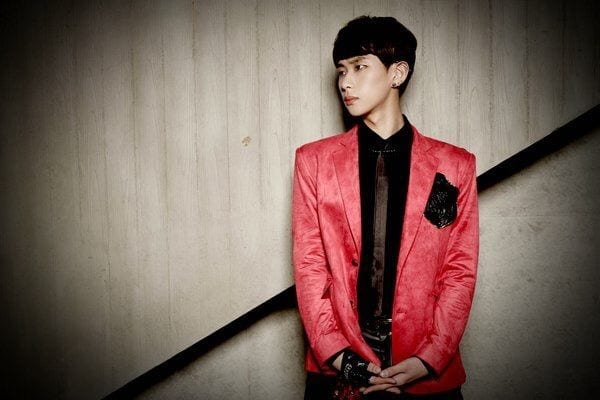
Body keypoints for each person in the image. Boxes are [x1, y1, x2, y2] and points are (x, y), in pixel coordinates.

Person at [292, 16, 479, 399]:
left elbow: (459, 271)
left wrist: (429, 358)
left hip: (425, 371)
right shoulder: (313, 161)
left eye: (359, 67)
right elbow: (310, 266)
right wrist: (340, 357)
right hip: (338, 369)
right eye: (341, 70)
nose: (345, 82)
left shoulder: (454, 165)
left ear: (397, 73)